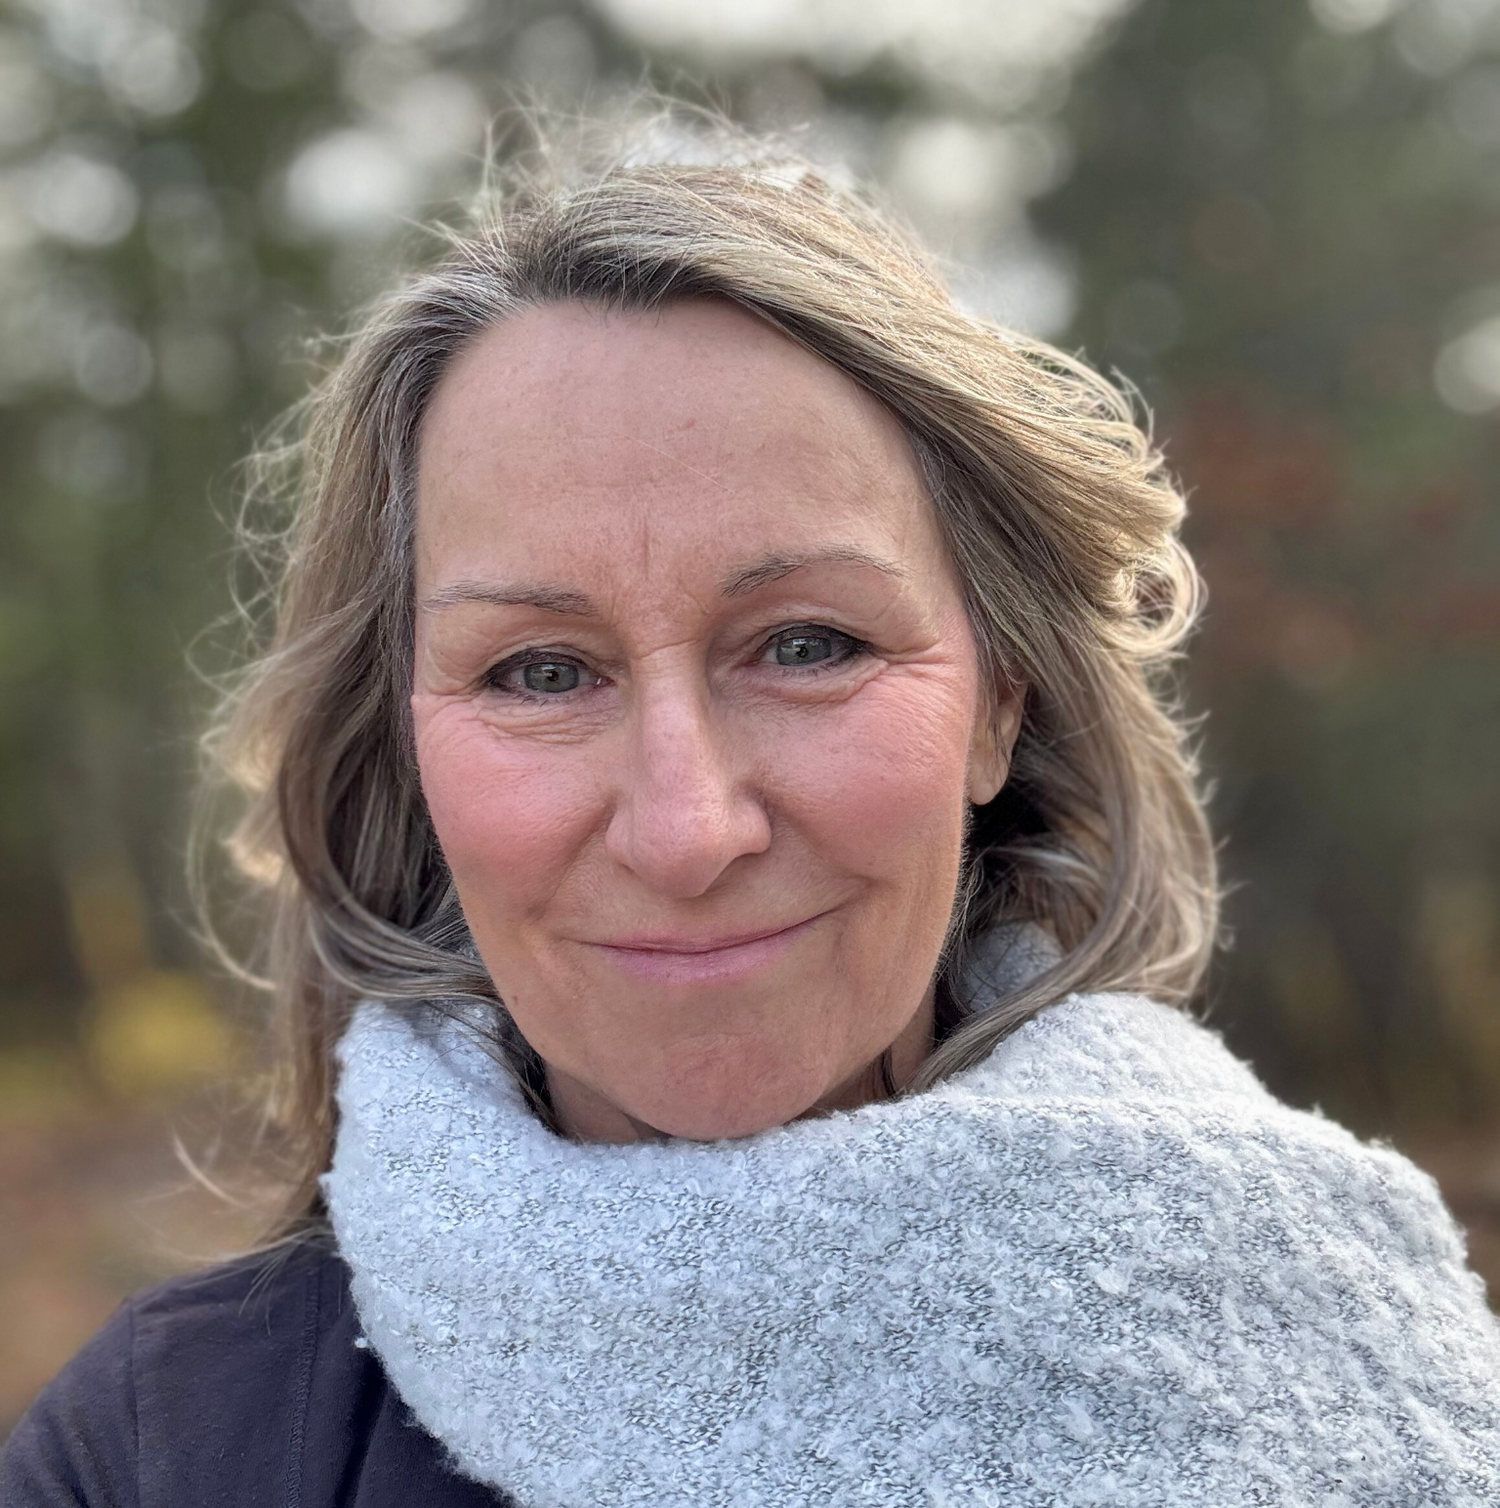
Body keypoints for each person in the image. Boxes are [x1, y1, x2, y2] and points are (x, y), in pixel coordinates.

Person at [4, 115, 1499, 1507]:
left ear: (1002, 701)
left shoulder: (1344, 1359)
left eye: (807, 645)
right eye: (538, 670)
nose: (687, 825)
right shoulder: (164, 1452)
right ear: (404, 754)